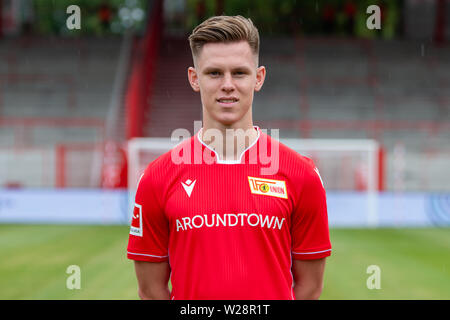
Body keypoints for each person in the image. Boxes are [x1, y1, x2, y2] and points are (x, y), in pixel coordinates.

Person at [126, 15, 332, 300]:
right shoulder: (157, 178)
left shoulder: (301, 175)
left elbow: (310, 288)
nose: (227, 84)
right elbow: (150, 290)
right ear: (194, 78)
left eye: (239, 72)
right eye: (214, 73)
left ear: (258, 78)